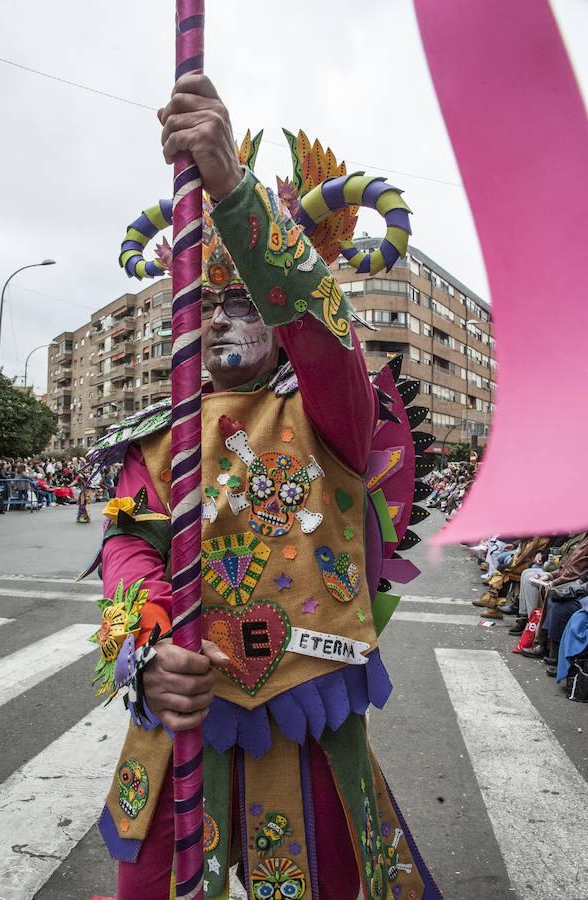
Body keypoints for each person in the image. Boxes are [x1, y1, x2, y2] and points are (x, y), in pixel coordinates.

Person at [85, 76, 441, 900]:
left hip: (304, 717)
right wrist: (144, 649)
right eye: (208, 300)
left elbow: (322, 331)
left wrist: (235, 194)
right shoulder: (153, 435)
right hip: (177, 726)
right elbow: (126, 547)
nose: (219, 320)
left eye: (244, 303)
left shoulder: (335, 410)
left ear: (279, 322)